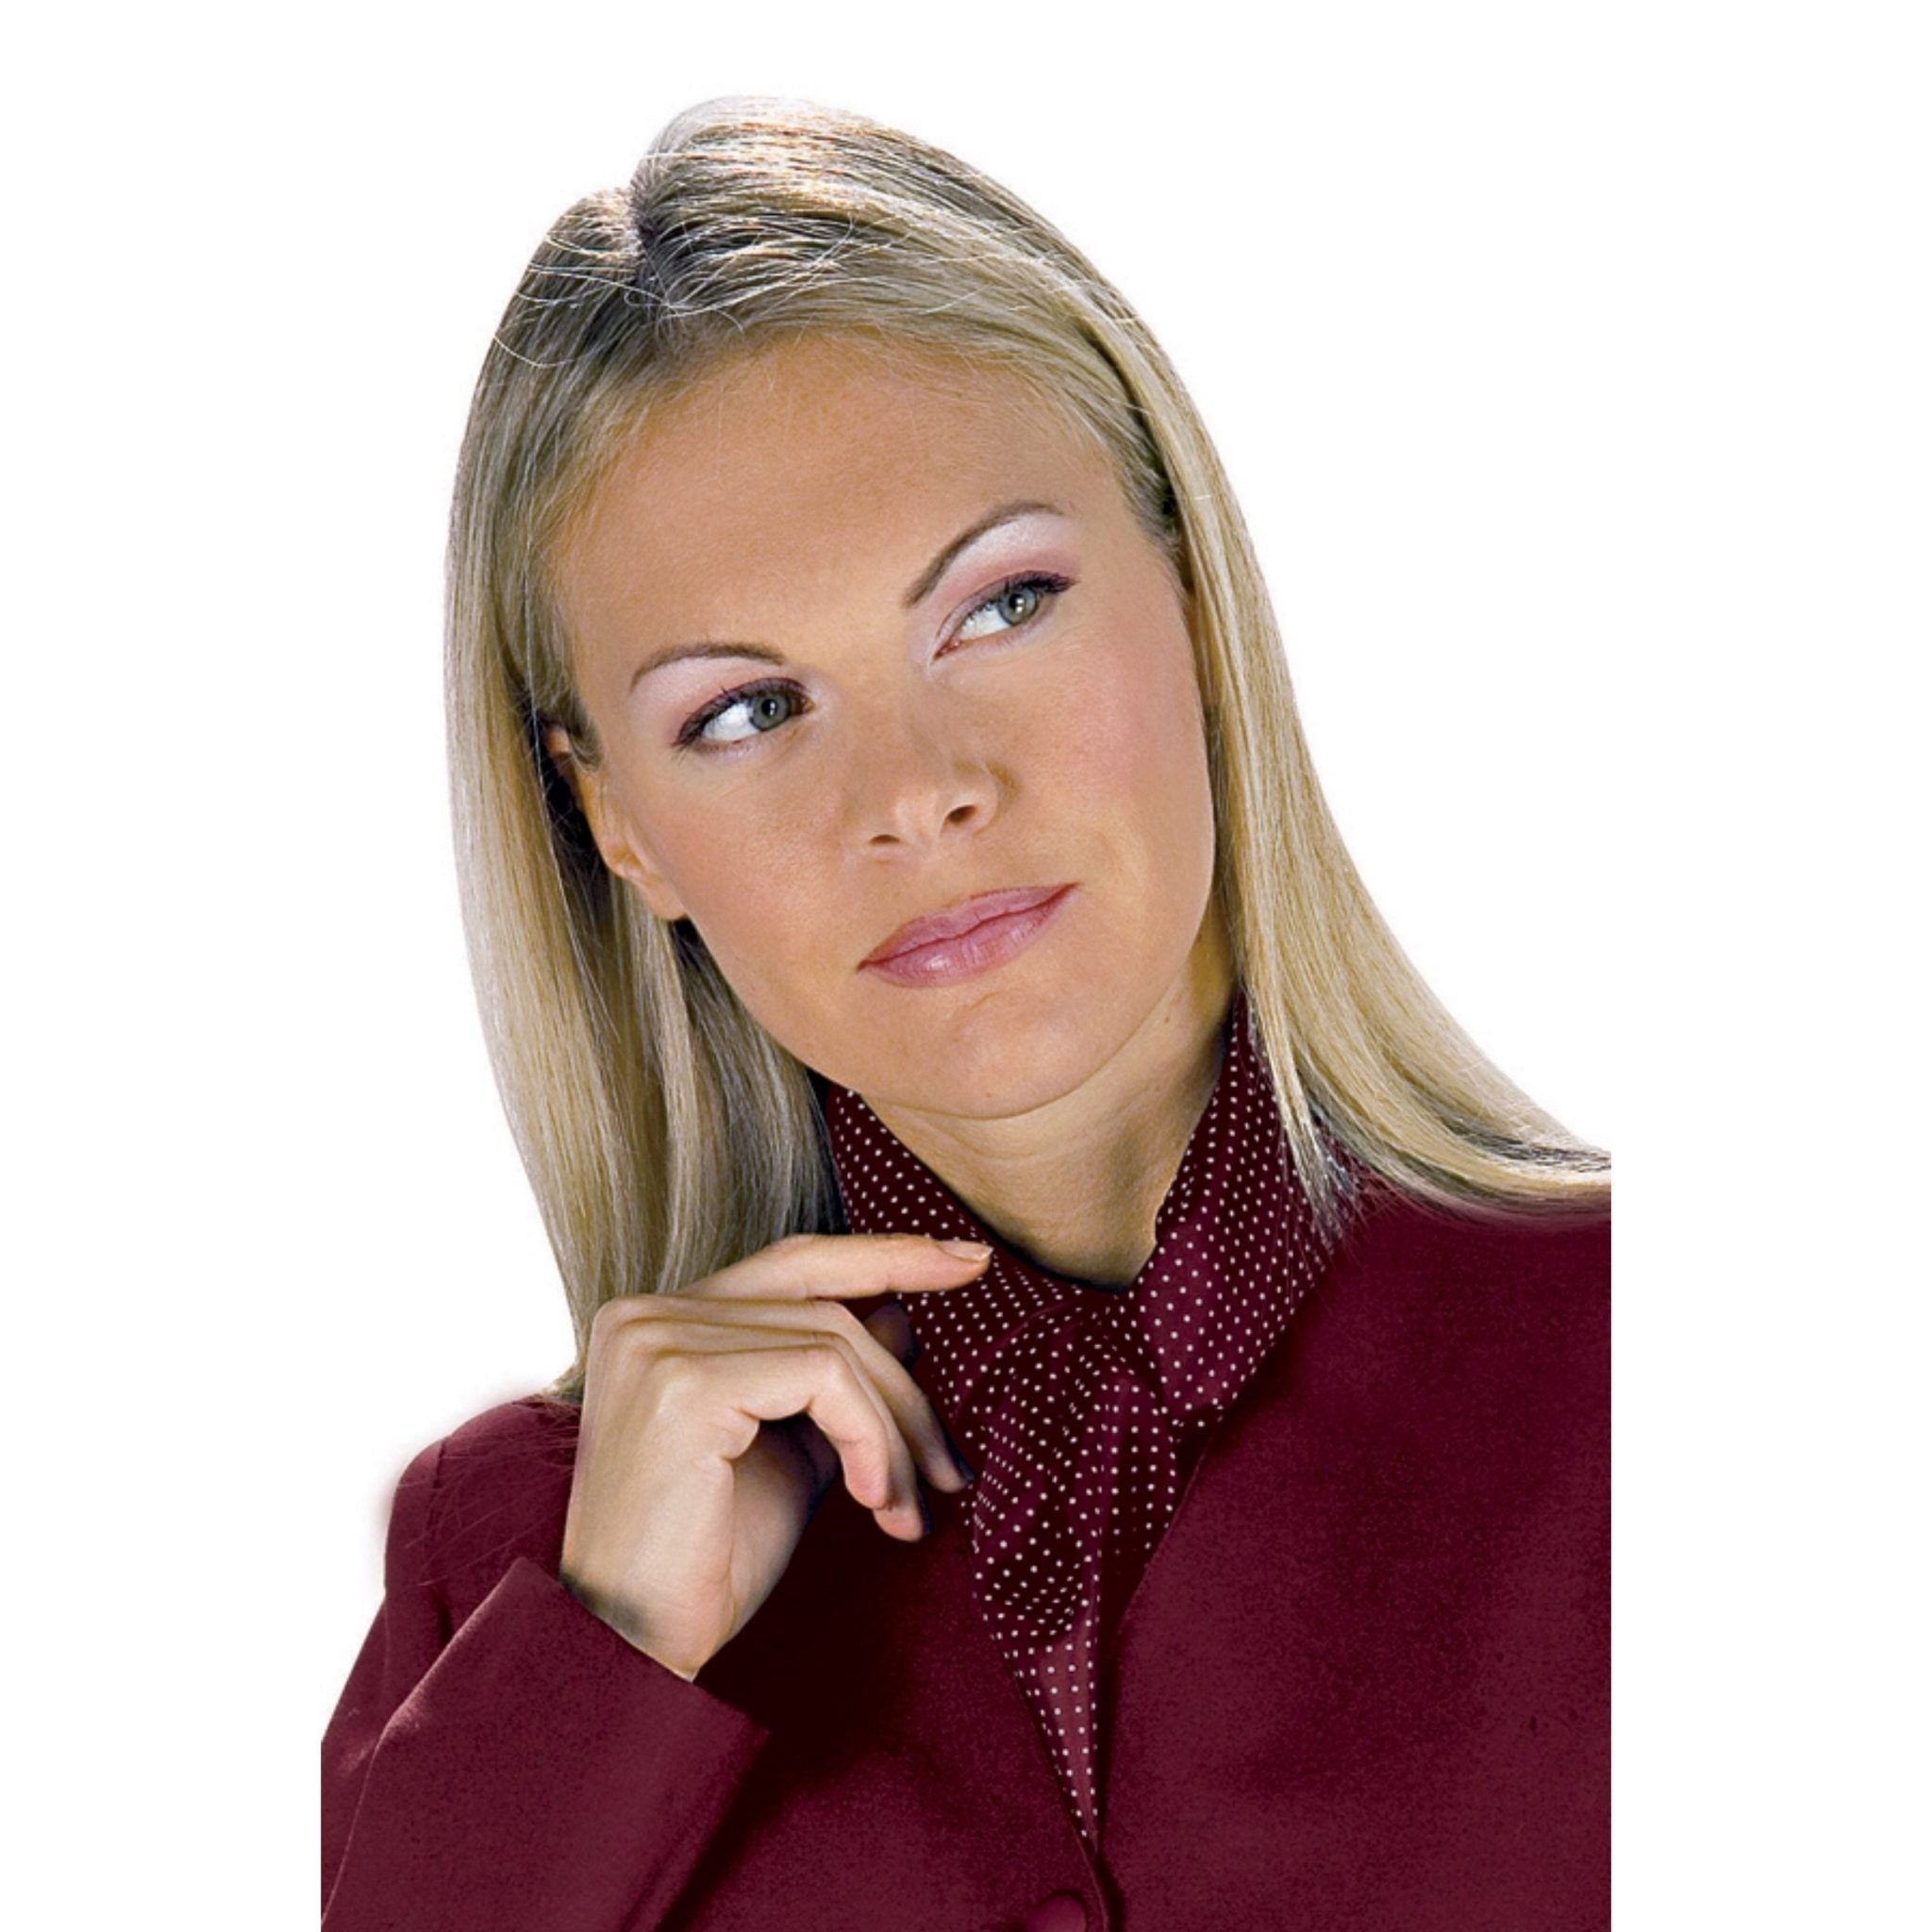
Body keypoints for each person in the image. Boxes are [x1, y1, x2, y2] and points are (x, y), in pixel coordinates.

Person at [321, 94, 1610, 1932]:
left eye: (1000, 607)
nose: (918, 792)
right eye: (745, 712)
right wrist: (598, 1662)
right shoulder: (516, 1567)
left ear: (1192, 595)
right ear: (616, 823)